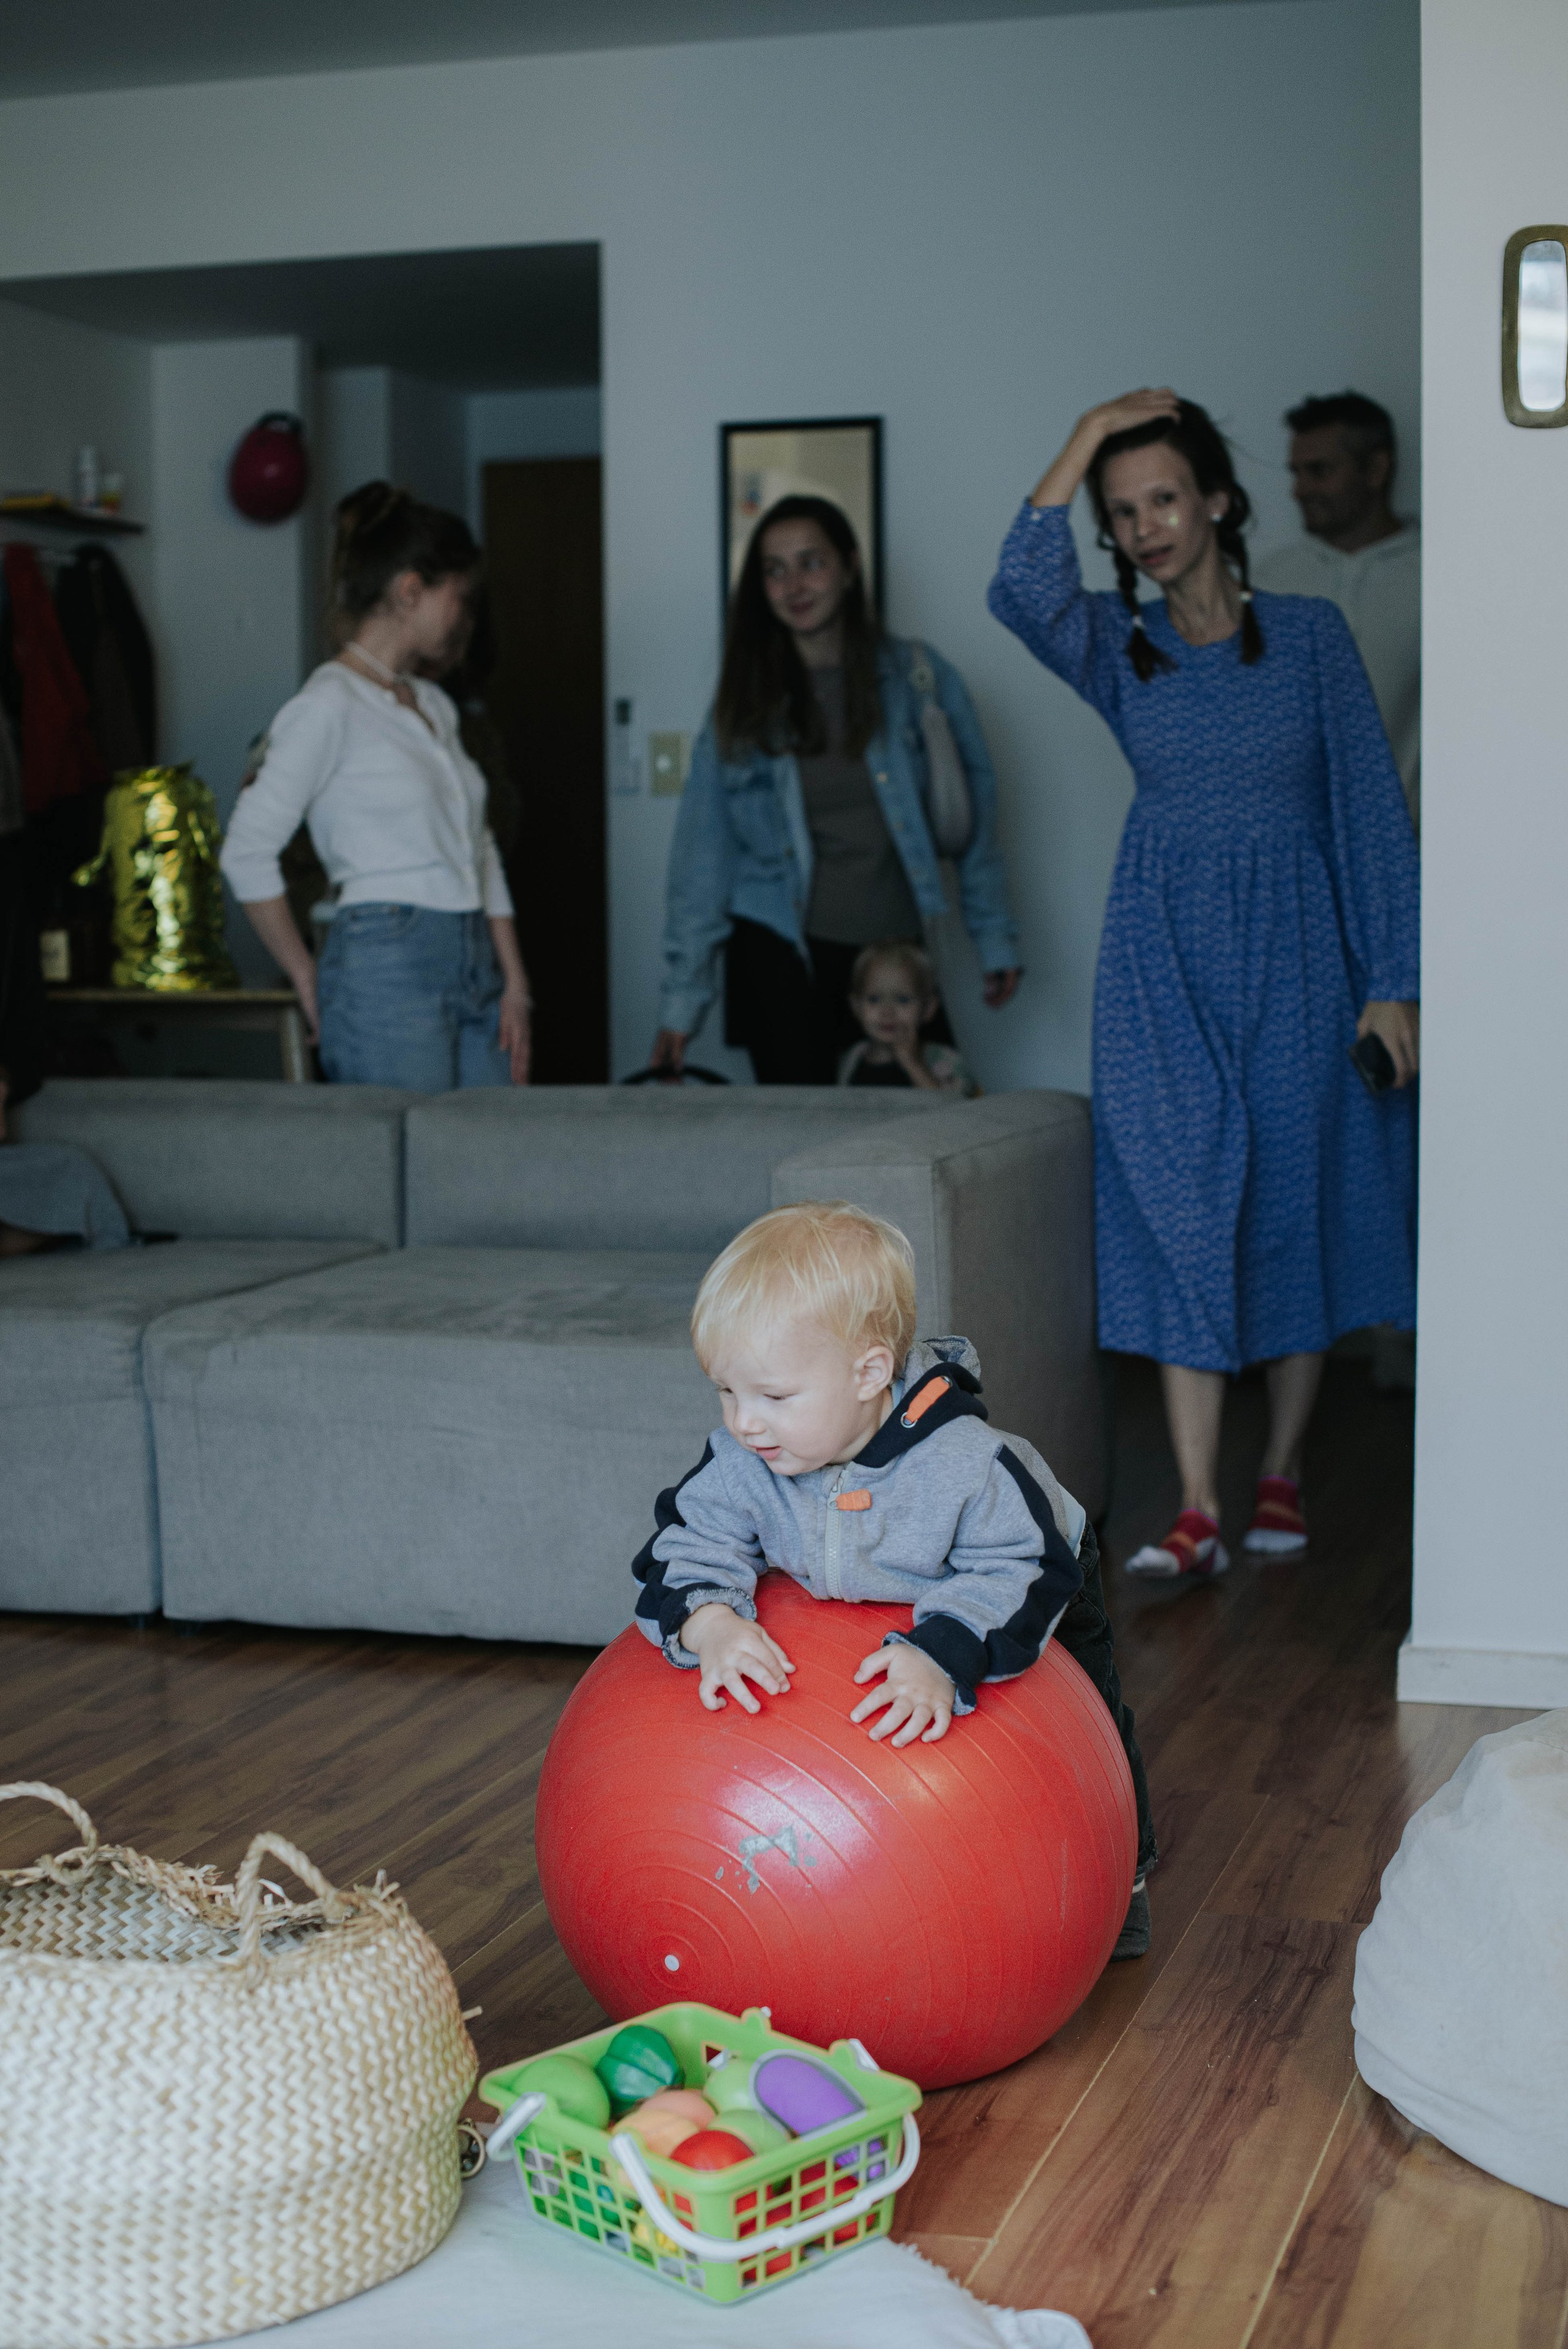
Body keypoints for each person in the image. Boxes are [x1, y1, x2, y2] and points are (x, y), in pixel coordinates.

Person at [988, 391, 1420, 1576]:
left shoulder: (1315, 635)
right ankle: (1193, 1505)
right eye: (1122, 512)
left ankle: (1277, 1470)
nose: (1144, 526)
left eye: (1165, 497)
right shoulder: (1119, 645)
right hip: (1162, 959)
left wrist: (1396, 979)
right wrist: (1082, 433)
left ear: (1220, 501)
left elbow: (1371, 816)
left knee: (1289, 1197)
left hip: (1298, 953)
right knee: (1174, 1201)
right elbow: (1019, 589)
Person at [631, 1200, 1158, 1957]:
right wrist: (709, 1619)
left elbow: (1016, 1563)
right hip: (897, 1589)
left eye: (773, 1397)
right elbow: (687, 1542)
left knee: (1097, 1719)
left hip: (1035, 1569)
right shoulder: (746, 1459)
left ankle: (1126, 1877)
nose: (744, 1423)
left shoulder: (965, 1464)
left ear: (870, 1372)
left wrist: (944, 1647)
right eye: (726, 1392)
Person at [650, 496, 1020, 1085]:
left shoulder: (919, 679)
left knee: (912, 1138)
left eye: (810, 563)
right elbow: (703, 860)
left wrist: (994, 934)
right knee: (801, 1143)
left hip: (892, 963)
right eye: (774, 569)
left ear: (850, 567)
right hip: (778, 954)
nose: (794, 584)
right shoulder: (742, 704)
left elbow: (973, 816)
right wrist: (682, 1000)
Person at [221, 483, 531, 1090]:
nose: (464, 621)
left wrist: (516, 983)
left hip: (473, 958)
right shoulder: (327, 704)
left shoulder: (435, 705)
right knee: (399, 1164)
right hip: (383, 956)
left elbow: (480, 847)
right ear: (410, 591)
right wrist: (307, 978)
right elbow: (246, 851)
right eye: (459, 600)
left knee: (492, 1156)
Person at [1254, 392, 1421, 830]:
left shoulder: (1441, 574)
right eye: (1296, 473)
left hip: (1413, 852)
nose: (1300, 490)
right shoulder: (1269, 582)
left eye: (1320, 471)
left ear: (1376, 470)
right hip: (1294, 853)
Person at [837, 940, 979, 1095]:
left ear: (928, 1008)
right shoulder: (852, 1059)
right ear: (856, 1006)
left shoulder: (945, 1061)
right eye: (874, 999)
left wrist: (912, 1064)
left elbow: (953, 1113)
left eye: (903, 1000)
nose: (887, 1012)